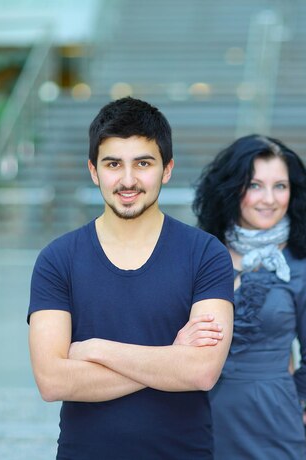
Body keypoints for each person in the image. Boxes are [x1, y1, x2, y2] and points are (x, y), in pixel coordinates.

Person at [27, 97, 234, 459]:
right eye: (112, 164)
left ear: (167, 169)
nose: (127, 180)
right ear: (93, 171)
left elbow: (201, 372)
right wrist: (172, 359)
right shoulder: (57, 259)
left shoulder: (205, 253)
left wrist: (95, 350)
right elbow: (52, 380)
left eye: (143, 163)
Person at [193, 134, 306, 459]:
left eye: (280, 186)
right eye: (255, 185)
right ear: (231, 189)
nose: (269, 199)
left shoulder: (305, 268)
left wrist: (285, 399)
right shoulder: (200, 255)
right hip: (197, 415)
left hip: (273, 421)